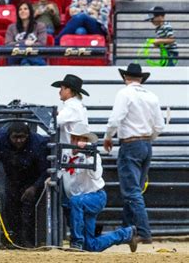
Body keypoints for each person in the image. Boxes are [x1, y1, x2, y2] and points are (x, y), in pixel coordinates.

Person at [103, 63, 165, 245]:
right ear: (141, 79)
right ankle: (127, 231)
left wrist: (108, 136)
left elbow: (115, 119)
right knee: (135, 190)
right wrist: (148, 138)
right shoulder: (152, 96)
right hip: (146, 143)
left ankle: (144, 232)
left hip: (130, 144)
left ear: (125, 78)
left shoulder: (124, 94)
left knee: (131, 192)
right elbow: (159, 126)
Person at [62, 123, 138, 252]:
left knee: (75, 202)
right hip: (81, 201)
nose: (75, 142)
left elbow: (95, 175)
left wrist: (88, 156)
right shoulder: (65, 154)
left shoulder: (93, 156)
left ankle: (76, 242)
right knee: (91, 246)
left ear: (86, 142)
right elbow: (60, 172)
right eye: (74, 138)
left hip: (95, 197)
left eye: (79, 139)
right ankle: (126, 234)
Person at [0, 122, 49, 247]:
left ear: (28, 136)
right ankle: (14, 238)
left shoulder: (38, 143)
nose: (18, 141)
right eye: (15, 137)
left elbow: (46, 169)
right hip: (11, 178)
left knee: (30, 209)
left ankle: (29, 241)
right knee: (10, 207)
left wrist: (34, 187)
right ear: (9, 136)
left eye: (22, 137)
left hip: (32, 178)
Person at [5, 2, 47, 66]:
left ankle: (25, 61)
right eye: (20, 9)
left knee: (25, 61)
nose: (22, 11)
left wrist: (23, 45)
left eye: (25, 9)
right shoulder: (11, 27)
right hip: (15, 57)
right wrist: (24, 43)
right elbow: (8, 44)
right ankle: (42, 65)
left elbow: (42, 44)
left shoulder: (40, 26)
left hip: (34, 54)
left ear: (30, 11)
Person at [51, 74, 89, 144]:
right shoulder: (76, 105)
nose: (59, 92)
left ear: (68, 90)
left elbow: (54, 122)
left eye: (62, 89)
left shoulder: (72, 107)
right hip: (76, 148)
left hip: (72, 150)